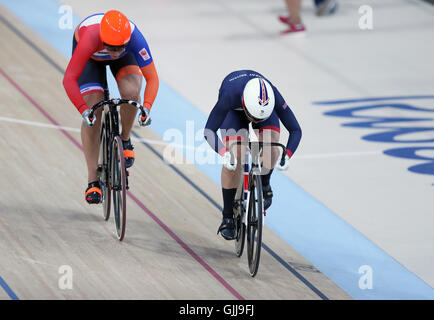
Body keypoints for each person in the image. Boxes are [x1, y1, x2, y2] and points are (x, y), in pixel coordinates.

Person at [63, 10, 159, 204]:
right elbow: (69, 79)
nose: (115, 53)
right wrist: (84, 110)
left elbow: (152, 78)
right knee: (94, 111)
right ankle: (93, 180)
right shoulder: (90, 37)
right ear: (103, 39)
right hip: (92, 59)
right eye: (111, 47)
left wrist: (146, 107)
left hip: (125, 57)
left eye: (119, 47)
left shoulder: (134, 37)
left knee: (132, 92)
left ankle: (125, 140)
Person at [204, 70, 302, 240]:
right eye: (252, 117)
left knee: (272, 147)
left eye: (258, 119)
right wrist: (224, 153)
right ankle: (227, 216)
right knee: (237, 154)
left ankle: (264, 184)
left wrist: (286, 155)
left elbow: (295, 130)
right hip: (234, 112)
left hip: (263, 109)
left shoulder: (273, 96)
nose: (254, 122)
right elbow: (209, 131)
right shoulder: (230, 95)